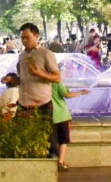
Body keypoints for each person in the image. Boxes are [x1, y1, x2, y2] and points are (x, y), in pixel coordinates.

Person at [17, 23, 61, 159]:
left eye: (27, 37)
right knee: (22, 139)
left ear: (36, 36)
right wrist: (12, 80)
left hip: (42, 104)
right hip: (24, 104)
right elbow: (22, 78)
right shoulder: (22, 56)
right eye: (22, 38)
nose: (24, 41)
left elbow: (57, 78)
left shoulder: (46, 54)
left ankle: (52, 169)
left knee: (48, 140)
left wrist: (39, 73)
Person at [50, 81, 89, 170]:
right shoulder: (56, 83)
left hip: (49, 115)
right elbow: (67, 95)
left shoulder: (43, 83)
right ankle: (60, 162)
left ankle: (52, 161)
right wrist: (81, 92)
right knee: (63, 140)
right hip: (61, 115)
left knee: (52, 140)